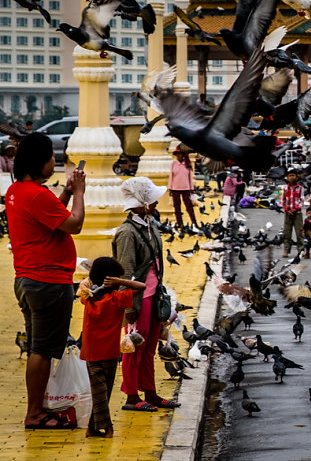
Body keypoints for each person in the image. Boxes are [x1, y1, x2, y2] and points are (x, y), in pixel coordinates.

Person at [9, 133, 85, 430]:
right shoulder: (37, 195)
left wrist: (65, 193)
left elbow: (50, 219)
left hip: (28, 279)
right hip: (48, 281)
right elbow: (74, 224)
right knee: (42, 350)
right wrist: (79, 192)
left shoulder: (18, 191)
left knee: (36, 348)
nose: (55, 162)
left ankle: (36, 408)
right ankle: (35, 413)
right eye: (52, 157)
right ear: (39, 161)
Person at [112, 176, 178, 412]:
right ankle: (131, 396)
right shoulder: (127, 233)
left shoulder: (149, 225)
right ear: (141, 204)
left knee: (149, 347)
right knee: (133, 347)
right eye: (152, 200)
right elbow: (126, 273)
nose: (156, 203)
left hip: (154, 294)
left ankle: (149, 392)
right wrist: (128, 308)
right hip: (139, 299)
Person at [78, 256, 145, 438]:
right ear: (112, 279)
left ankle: (92, 428)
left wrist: (93, 281)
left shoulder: (88, 299)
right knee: (103, 390)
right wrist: (120, 281)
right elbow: (142, 286)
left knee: (99, 391)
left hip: (91, 352)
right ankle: (107, 427)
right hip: (109, 352)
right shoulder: (118, 298)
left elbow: (83, 286)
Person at [169, 146, 198, 230]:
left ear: (183, 155)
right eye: (177, 154)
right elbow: (171, 176)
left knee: (189, 207)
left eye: (180, 154)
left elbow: (190, 177)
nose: (178, 156)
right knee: (177, 207)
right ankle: (180, 223)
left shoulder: (187, 164)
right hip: (175, 188)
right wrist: (170, 188)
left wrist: (191, 189)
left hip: (186, 188)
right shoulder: (173, 164)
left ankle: (194, 222)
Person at [281, 169, 304, 256]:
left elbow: (302, 201)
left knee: (299, 232)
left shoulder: (300, 188)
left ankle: (301, 249)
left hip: (297, 213)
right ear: (287, 177)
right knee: (287, 232)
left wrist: (296, 209)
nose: (291, 177)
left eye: (293, 175)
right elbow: (283, 201)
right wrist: (287, 210)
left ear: (297, 177)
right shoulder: (285, 188)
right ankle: (286, 250)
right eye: (290, 176)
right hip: (288, 213)